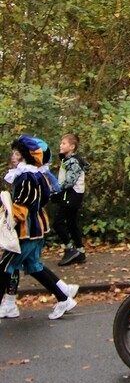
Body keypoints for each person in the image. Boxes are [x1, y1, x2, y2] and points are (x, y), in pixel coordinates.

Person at [0, 136, 78, 320]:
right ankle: (63, 297)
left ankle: (63, 297)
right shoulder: (34, 174)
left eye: (17, 153)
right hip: (36, 229)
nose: (13, 156)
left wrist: (6, 209)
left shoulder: (26, 176)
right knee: (34, 266)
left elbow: (22, 208)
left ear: (25, 156)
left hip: (26, 232)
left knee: (4, 267)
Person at [55, 134, 90, 266]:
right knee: (71, 223)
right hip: (74, 196)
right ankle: (80, 252)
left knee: (58, 223)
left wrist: (55, 189)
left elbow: (69, 181)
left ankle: (70, 250)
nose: (61, 145)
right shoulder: (68, 160)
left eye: (64, 143)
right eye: (61, 143)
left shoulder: (73, 161)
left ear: (72, 147)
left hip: (71, 196)